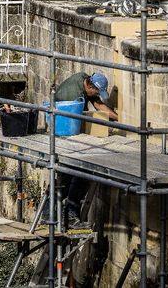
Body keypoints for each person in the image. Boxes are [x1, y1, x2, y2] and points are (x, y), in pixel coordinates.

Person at [52, 71, 118, 230]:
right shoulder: (73, 96)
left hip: (70, 131)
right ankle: (65, 214)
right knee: (74, 174)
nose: (96, 94)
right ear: (89, 85)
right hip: (64, 133)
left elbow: (97, 104)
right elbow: (73, 122)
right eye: (96, 91)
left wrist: (117, 118)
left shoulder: (85, 80)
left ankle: (62, 213)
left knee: (74, 174)